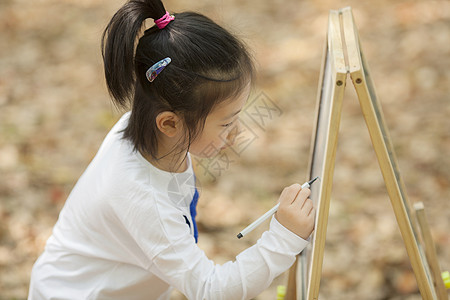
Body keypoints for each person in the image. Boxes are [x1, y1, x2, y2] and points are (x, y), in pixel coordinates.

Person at [28, 0, 316, 299]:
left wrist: (222, 126)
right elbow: (211, 290)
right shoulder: (143, 198)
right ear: (169, 124)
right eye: (226, 123)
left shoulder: (149, 134)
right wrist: (284, 238)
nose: (236, 133)